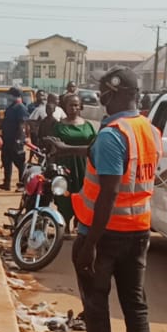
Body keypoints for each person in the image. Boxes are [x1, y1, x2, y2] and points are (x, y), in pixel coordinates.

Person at [45, 67, 161, 332]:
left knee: (96, 308)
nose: (99, 100)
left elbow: (109, 190)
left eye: (101, 94)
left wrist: (89, 243)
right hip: (138, 231)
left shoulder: (113, 133)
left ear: (114, 93)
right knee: (136, 309)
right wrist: (71, 149)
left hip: (106, 235)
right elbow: (116, 164)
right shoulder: (148, 130)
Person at [51, 93, 96, 232]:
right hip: (65, 166)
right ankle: (65, 227)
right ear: (65, 107)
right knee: (65, 195)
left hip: (84, 166)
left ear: (80, 107)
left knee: (83, 195)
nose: (73, 108)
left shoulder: (88, 125)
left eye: (76, 105)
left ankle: (80, 225)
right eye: (70, 105)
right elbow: (54, 147)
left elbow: (94, 146)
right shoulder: (59, 126)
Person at [0, 87, 29, 190]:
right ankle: (6, 183)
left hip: (15, 140)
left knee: (20, 163)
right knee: (6, 161)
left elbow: (22, 125)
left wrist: (19, 140)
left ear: (14, 96)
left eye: (9, 95)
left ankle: (22, 184)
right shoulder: (11, 107)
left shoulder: (21, 107)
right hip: (7, 139)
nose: (7, 97)